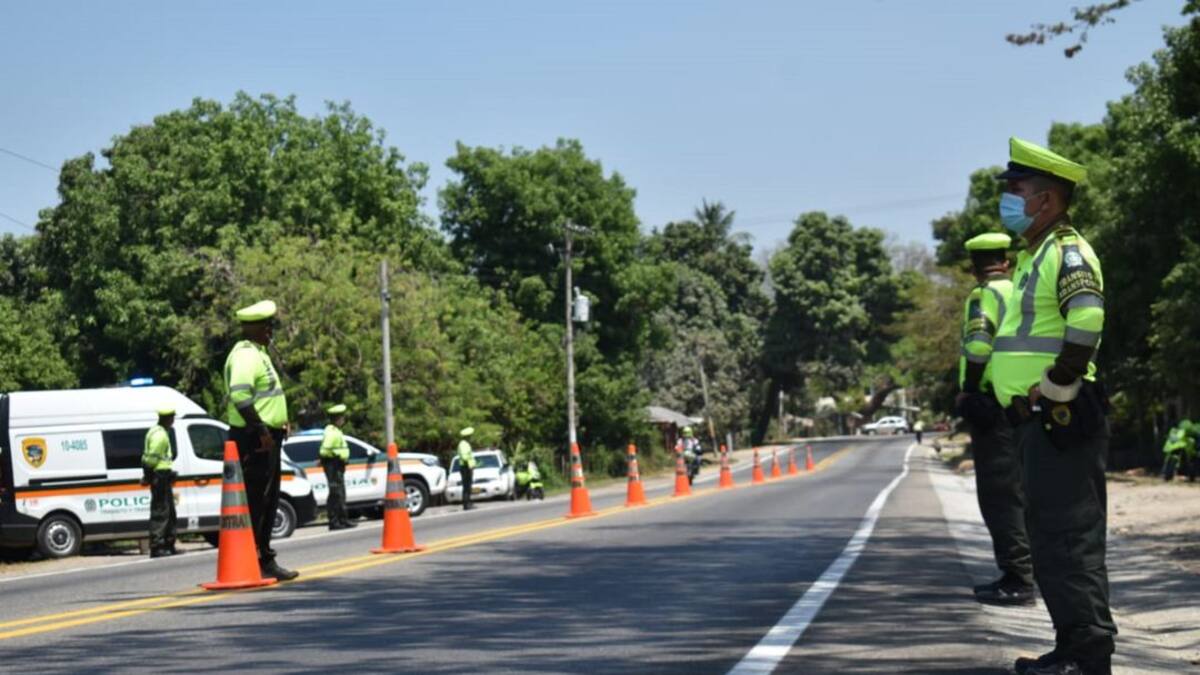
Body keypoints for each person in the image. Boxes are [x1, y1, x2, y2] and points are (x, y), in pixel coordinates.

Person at [990, 138, 1114, 675]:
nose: (1008, 200)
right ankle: (1071, 650)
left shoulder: (1067, 252)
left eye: (1016, 191)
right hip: (1036, 422)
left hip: (1061, 416)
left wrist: (1053, 387)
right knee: (1049, 540)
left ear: (1045, 199)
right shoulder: (1034, 255)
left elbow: (1086, 320)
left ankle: (1088, 657)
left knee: (1069, 539)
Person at [956, 232, 1036, 608]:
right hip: (1021, 401)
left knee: (999, 495)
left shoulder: (983, 296)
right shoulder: (1020, 290)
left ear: (974, 268)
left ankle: (1018, 578)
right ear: (1006, 262)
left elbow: (977, 346)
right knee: (1020, 491)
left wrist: (968, 390)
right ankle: (1025, 571)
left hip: (991, 405)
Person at [224, 300, 298, 582]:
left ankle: (262, 556)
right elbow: (241, 397)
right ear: (253, 328)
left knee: (267, 500)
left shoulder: (258, 352)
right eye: (266, 326)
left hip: (266, 435)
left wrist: (280, 422)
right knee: (258, 500)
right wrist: (263, 432)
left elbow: (265, 395)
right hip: (255, 438)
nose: (270, 331)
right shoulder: (245, 356)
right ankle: (258, 558)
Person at [142, 406, 177, 558]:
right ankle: (157, 546)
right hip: (159, 475)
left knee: (169, 512)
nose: (173, 421)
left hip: (162, 475)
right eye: (172, 418)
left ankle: (168, 543)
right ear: (167, 419)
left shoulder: (156, 431)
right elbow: (151, 459)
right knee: (161, 511)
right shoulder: (160, 436)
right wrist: (149, 475)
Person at [320, 403, 355, 530]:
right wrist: (337, 456)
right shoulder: (331, 432)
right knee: (336, 493)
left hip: (336, 465)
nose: (343, 420)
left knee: (339, 493)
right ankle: (336, 521)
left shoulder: (335, 431)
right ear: (337, 419)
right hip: (333, 465)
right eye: (342, 418)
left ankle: (342, 520)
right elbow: (325, 450)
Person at [457, 427, 477, 511]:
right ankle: (466, 504)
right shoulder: (463, 444)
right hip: (465, 467)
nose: (471, 437)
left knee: (468, 486)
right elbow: (465, 457)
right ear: (467, 436)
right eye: (470, 436)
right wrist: (469, 464)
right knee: (466, 486)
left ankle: (469, 502)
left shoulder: (465, 443)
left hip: (467, 466)